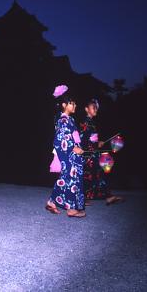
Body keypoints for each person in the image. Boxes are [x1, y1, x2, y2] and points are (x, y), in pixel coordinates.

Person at [46, 85, 86, 217]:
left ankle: (52, 202)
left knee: (67, 176)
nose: (74, 105)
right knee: (70, 177)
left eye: (74, 103)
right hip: (67, 152)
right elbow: (59, 139)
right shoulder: (63, 120)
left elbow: (73, 136)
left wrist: (78, 146)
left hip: (73, 153)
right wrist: (73, 147)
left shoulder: (71, 119)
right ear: (64, 105)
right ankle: (70, 209)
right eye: (71, 103)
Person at [79, 99, 123, 205]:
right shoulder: (85, 122)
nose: (96, 109)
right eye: (93, 107)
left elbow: (91, 139)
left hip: (92, 153)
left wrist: (98, 143)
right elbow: (82, 139)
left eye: (96, 107)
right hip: (88, 155)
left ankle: (85, 198)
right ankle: (107, 196)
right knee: (92, 175)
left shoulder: (91, 122)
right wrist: (92, 147)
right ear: (86, 109)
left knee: (93, 175)